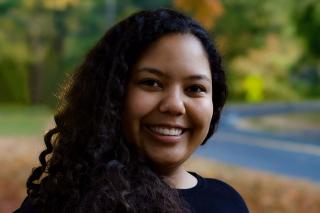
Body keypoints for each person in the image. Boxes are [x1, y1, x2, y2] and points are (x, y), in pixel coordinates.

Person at [15, 8, 249, 213]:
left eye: (195, 88)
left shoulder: (227, 203)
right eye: (151, 82)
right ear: (111, 95)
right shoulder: (62, 204)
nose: (175, 105)